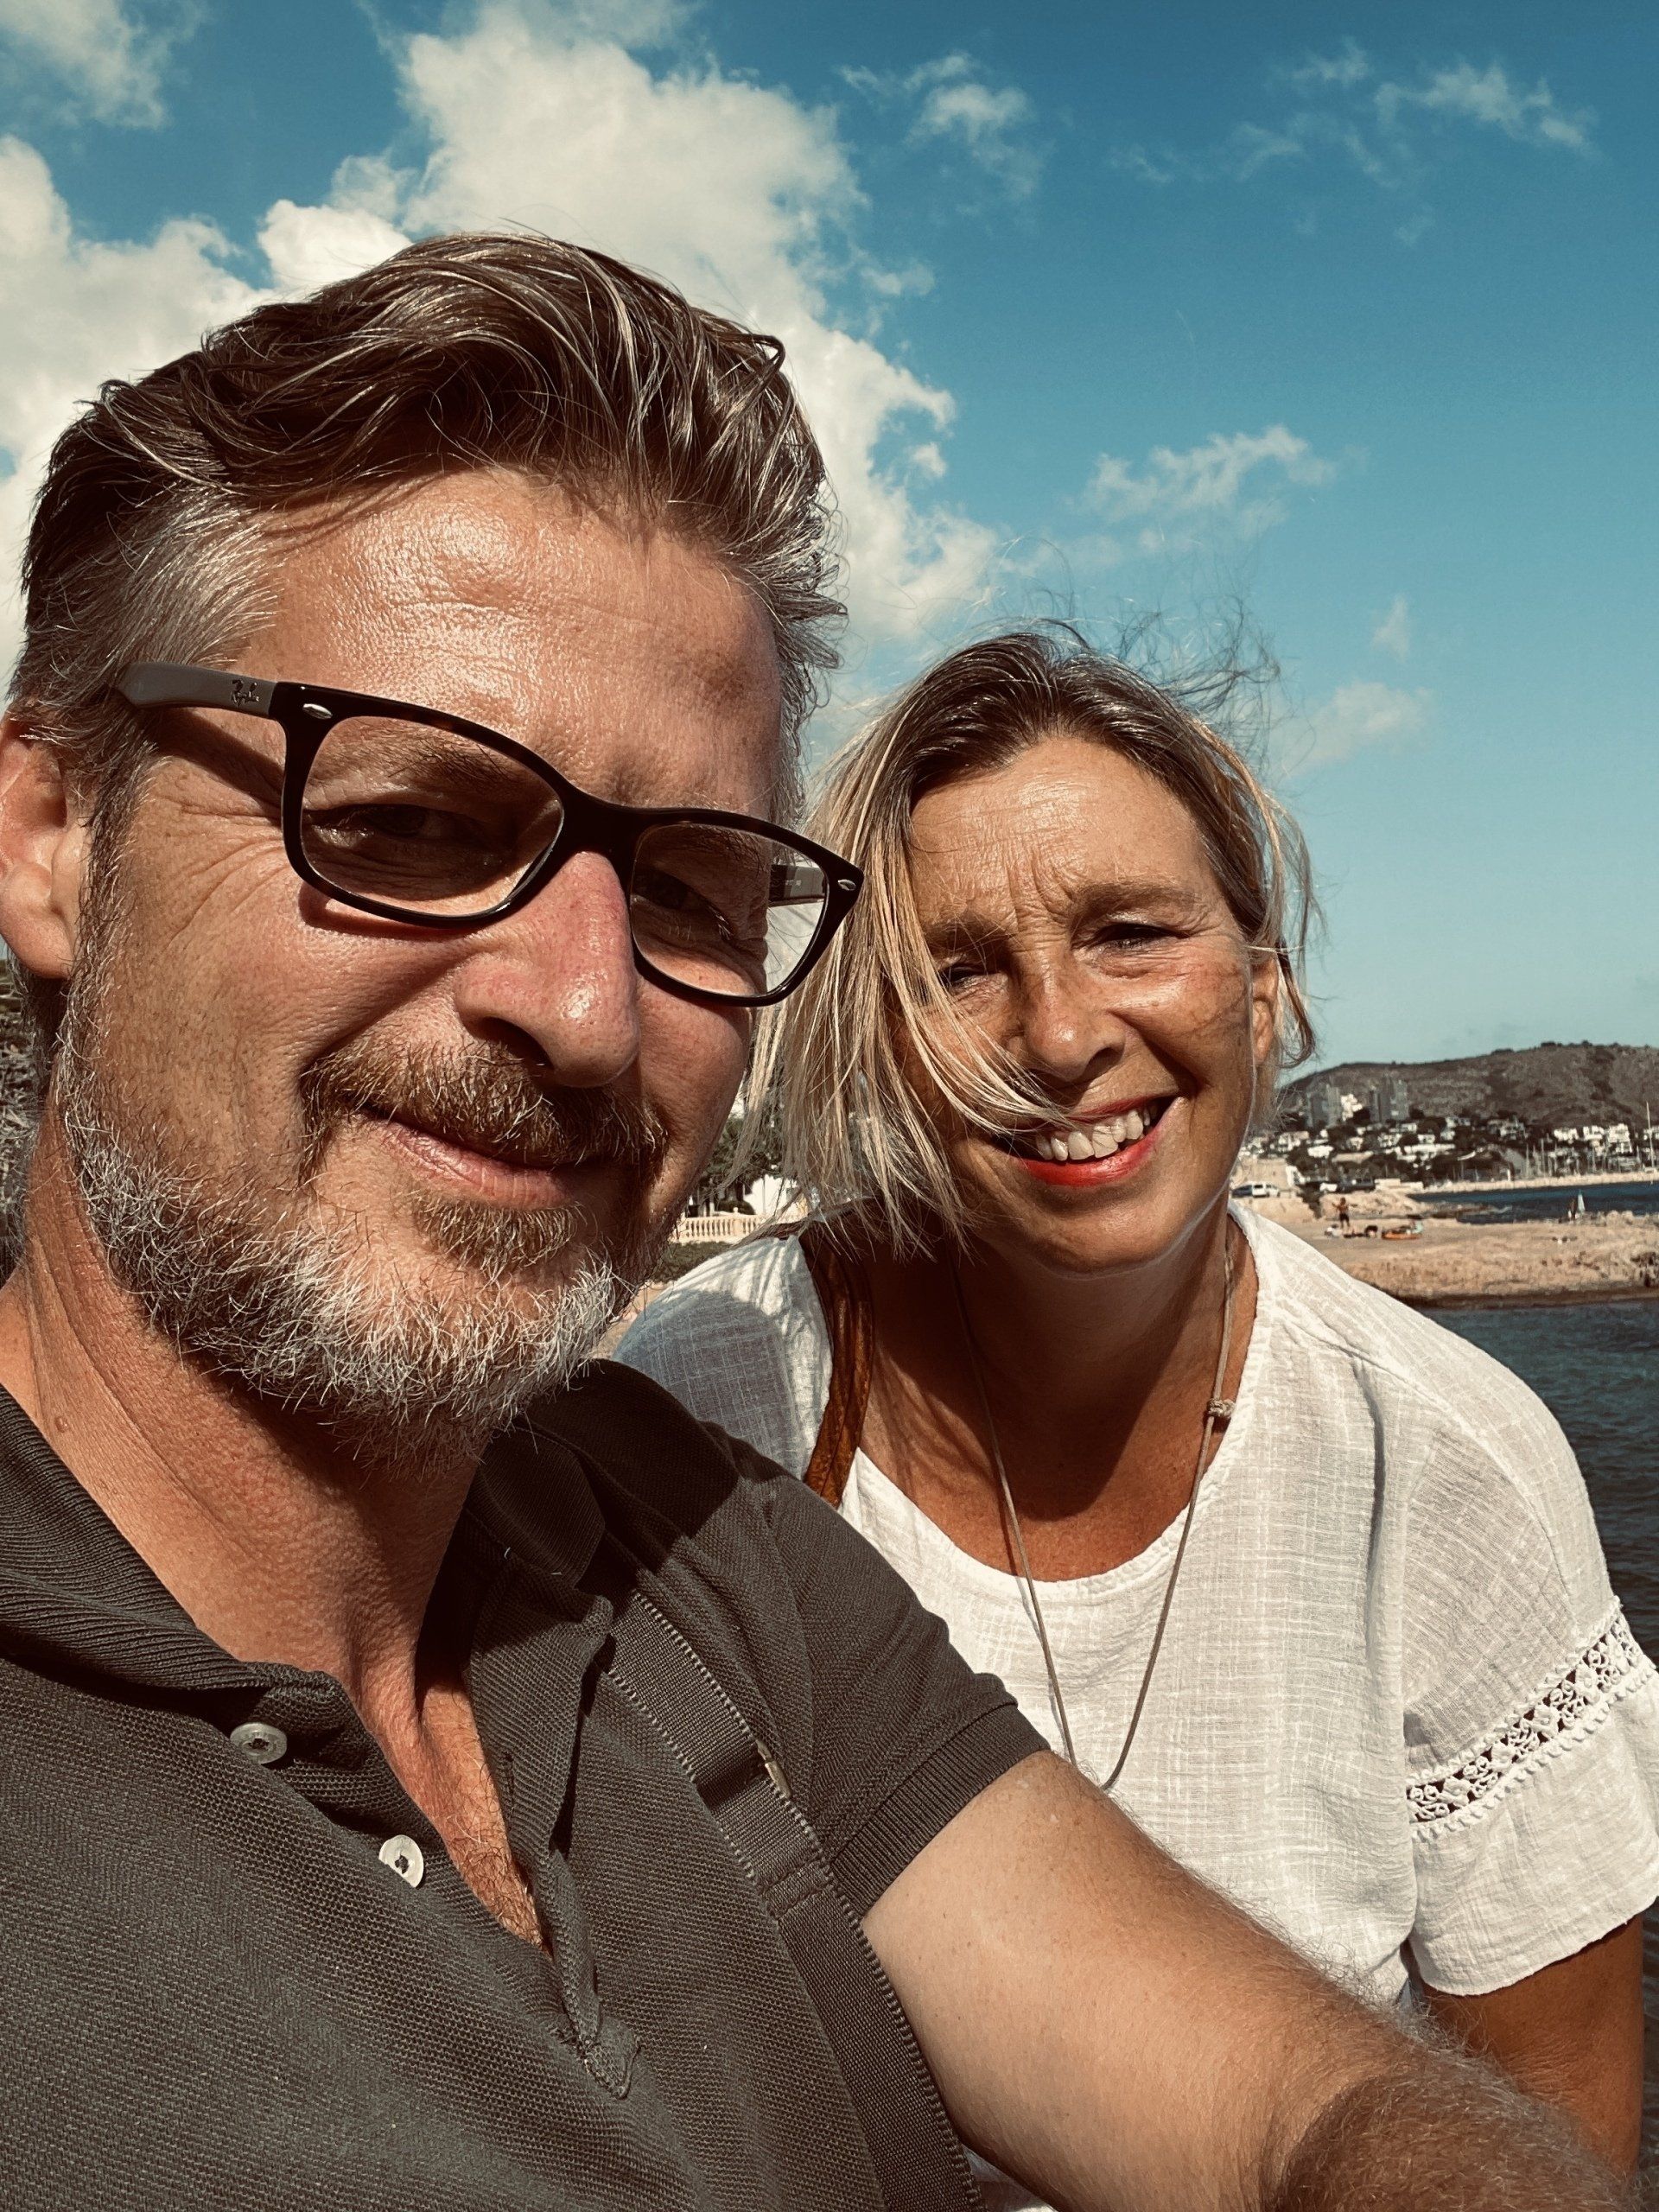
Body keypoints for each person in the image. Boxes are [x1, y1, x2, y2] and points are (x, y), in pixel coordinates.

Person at [0, 234, 1630, 2212]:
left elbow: (1309, 2107)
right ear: (53, 835)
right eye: (411, 821)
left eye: (689, 887)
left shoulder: (682, 1539)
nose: (586, 1009)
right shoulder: (730, 1396)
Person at [620, 630, 1658, 2180]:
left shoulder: (1445, 1471)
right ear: (877, 1041)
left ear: (1264, 989)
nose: (1059, 1035)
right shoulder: (704, 1410)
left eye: (1129, 932)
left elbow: (1557, 2144)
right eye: (959, 969)